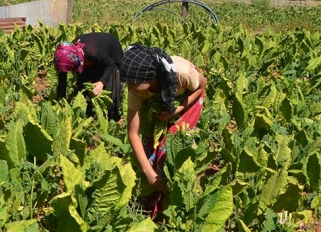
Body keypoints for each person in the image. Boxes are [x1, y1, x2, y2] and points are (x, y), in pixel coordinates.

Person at [120, 44, 207, 216]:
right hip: (160, 98)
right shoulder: (136, 90)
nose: (129, 88)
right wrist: (148, 172)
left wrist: (176, 110)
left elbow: (202, 85)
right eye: (127, 83)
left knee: (170, 149)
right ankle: (152, 200)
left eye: (133, 83)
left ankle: (176, 201)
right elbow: (133, 133)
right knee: (149, 148)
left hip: (188, 95)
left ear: (149, 76)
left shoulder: (182, 73)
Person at [54, 33, 124, 121]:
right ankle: (88, 114)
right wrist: (62, 103)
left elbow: (110, 64)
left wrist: (101, 82)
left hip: (111, 54)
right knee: (83, 87)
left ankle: (111, 117)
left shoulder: (91, 52)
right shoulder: (64, 56)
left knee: (109, 92)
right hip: (91, 56)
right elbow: (62, 81)